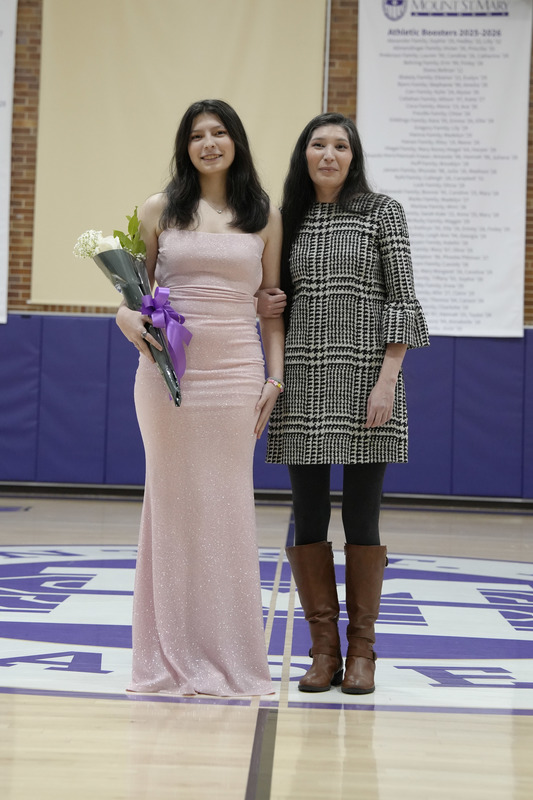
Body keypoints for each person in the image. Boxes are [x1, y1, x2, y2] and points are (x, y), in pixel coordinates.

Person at [116, 99, 284, 696]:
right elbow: (134, 291)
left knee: (228, 509)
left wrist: (276, 375)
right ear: (185, 146)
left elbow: (271, 306)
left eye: (219, 133)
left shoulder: (264, 214)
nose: (209, 143)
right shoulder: (158, 208)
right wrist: (123, 318)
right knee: (169, 506)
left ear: (236, 141)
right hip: (168, 374)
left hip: (237, 372)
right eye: (197, 135)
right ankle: (166, 654)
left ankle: (234, 657)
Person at [259, 112, 429, 695]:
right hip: (303, 380)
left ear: (353, 156)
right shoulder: (286, 218)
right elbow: (272, 297)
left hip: (367, 384)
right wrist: (269, 301)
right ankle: (323, 652)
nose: (328, 154)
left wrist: (388, 379)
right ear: (303, 155)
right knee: (307, 516)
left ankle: (363, 653)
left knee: (362, 515)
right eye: (318, 144)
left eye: (340, 145)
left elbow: (403, 300)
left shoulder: (383, 212)